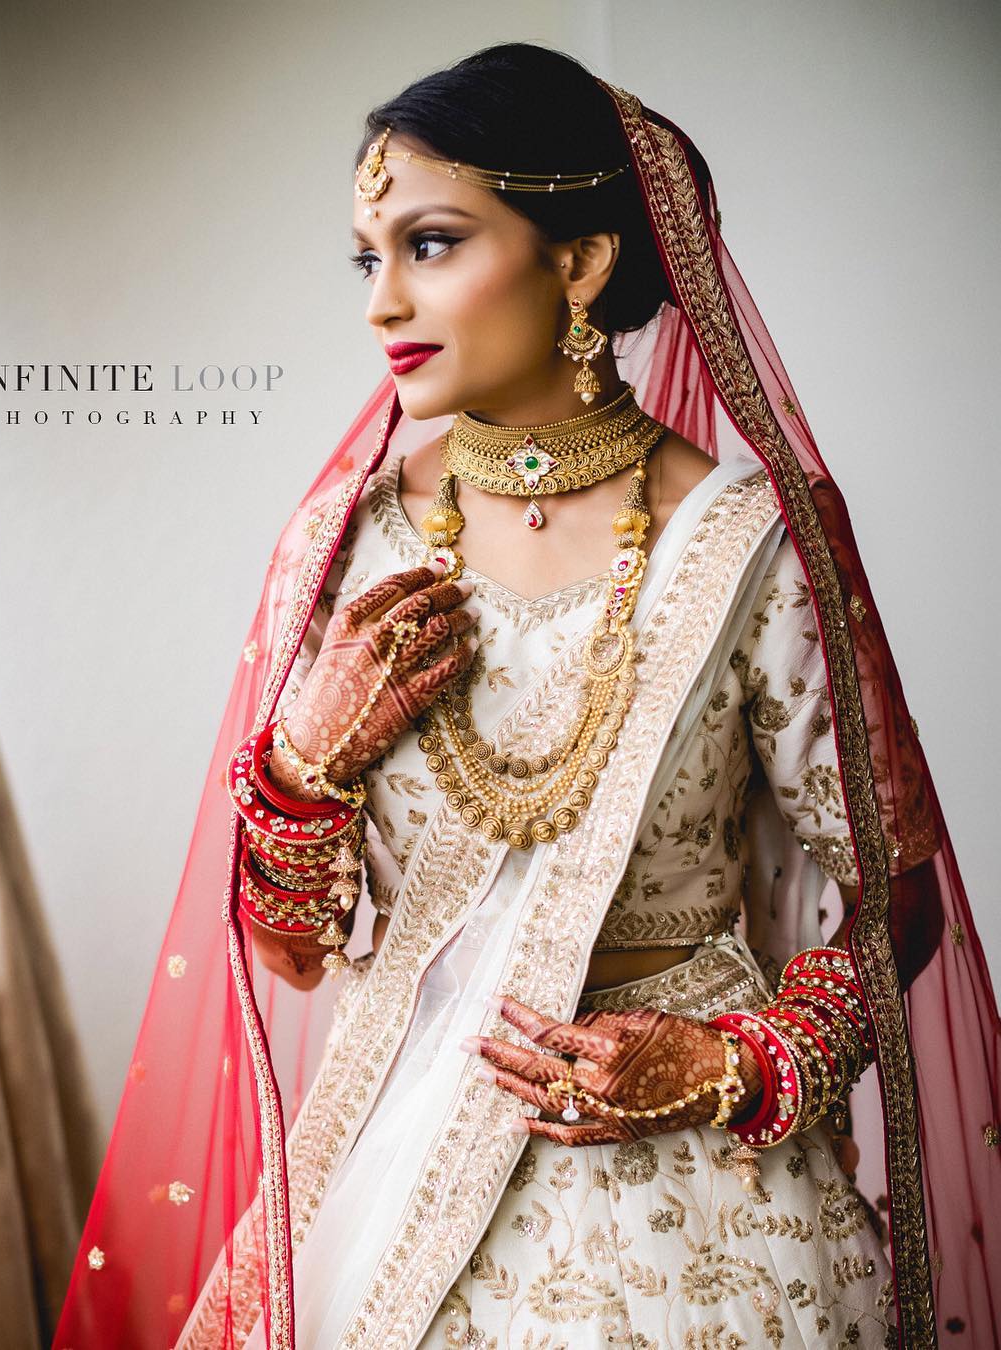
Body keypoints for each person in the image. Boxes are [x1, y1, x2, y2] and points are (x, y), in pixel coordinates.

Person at [55, 42, 1001, 1350]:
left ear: (583, 258)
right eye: (366, 257)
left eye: (430, 244)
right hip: (406, 1137)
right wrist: (306, 765)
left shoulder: (754, 535)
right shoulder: (352, 540)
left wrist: (736, 1061)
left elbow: (901, 894)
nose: (382, 302)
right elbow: (292, 949)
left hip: (694, 1165)